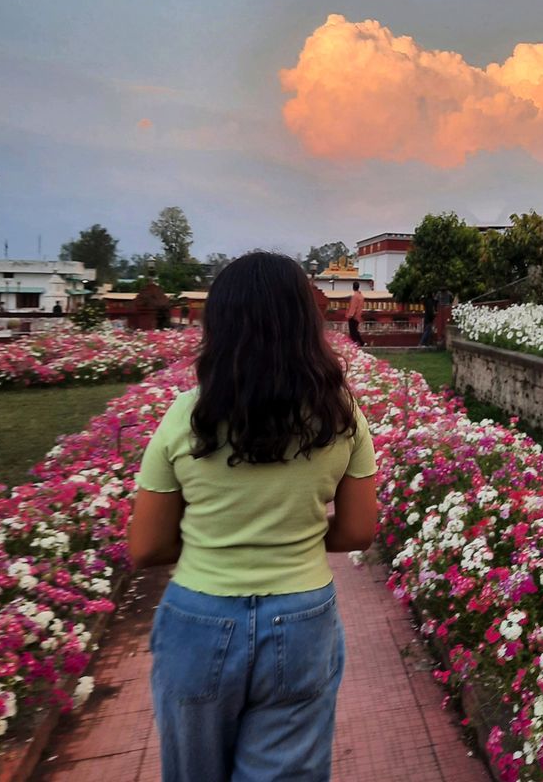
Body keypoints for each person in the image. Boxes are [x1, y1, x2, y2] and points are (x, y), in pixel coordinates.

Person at [128, 252, 377, 782]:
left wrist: (211, 540)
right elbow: (358, 530)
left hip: (198, 615)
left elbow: (146, 546)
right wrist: (299, 536)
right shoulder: (341, 414)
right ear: (305, 322)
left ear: (219, 324)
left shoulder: (186, 416)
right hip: (303, 617)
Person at [346, 281, 365, 347]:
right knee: (355, 330)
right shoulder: (361, 296)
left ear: (353, 287)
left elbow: (353, 307)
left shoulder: (355, 296)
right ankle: (360, 342)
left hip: (353, 316)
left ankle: (357, 343)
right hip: (358, 316)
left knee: (353, 331)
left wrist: (350, 315)